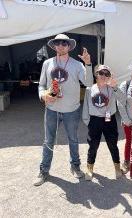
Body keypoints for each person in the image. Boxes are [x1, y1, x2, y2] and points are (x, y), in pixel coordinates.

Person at [34, 34, 94, 186]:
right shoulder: (47, 63)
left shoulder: (77, 65)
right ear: (53, 46)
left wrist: (88, 64)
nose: (60, 45)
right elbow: (41, 85)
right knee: (48, 140)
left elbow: (88, 83)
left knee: (73, 140)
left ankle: (75, 166)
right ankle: (44, 170)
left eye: (64, 43)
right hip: (52, 109)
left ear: (69, 46)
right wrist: (43, 96)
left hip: (71, 110)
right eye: (57, 43)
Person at [82, 65, 124, 180]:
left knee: (113, 144)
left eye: (107, 74)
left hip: (109, 119)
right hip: (95, 120)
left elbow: (123, 100)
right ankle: (89, 168)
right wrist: (87, 121)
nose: (104, 76)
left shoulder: (112, 88)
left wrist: (115, 87)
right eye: (101, 73)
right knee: (93, 145)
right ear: (96, 74)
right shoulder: (90, 88)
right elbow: (85, 105)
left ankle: (117, 167)